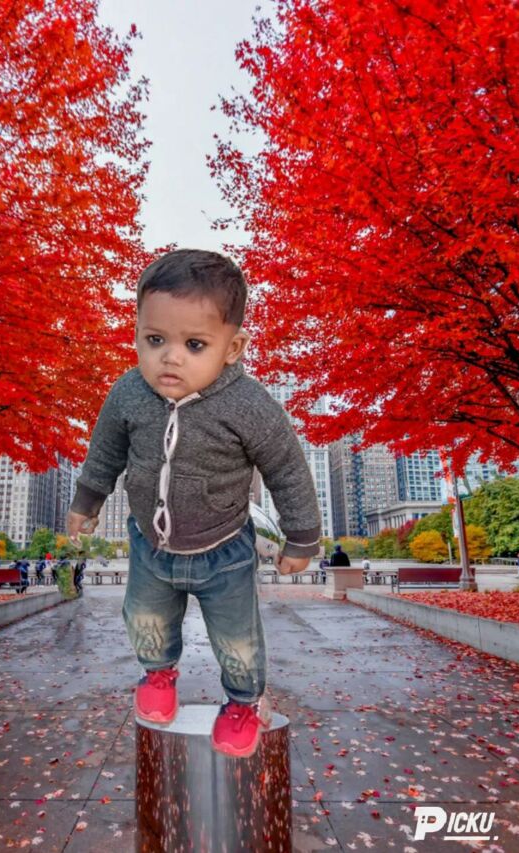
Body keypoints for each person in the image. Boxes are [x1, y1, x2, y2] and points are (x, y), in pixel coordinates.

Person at [66, 249, 321, 758]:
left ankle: (243, 702)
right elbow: (105, 452)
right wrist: (87, 501)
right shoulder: (129, 393)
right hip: (151, 546)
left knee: (237, 639)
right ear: (137, 333)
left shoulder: (249, 405)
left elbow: (287, 469)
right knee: (145, 619)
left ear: (233, 347)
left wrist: (302, 537)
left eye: (194, 344)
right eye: (154, 340)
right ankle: (158, 674)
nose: (171, 357)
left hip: (224, 551)